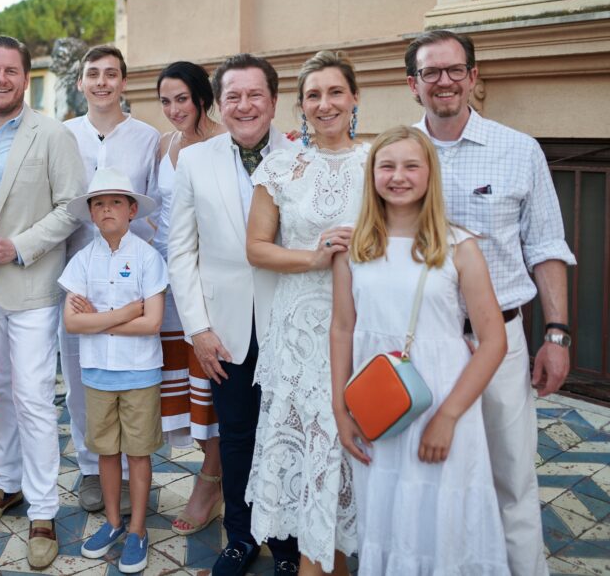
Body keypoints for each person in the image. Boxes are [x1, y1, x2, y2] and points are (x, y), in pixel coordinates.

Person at [406, 29, 575, 576]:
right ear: (414, 85)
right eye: (431, 72)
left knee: (511, 477)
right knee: (427, 474)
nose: (444, 81)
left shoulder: (518, 149)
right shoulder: (393, 154)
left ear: (474, 78)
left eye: (455, 70)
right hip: (422, 347)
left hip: (498, 342)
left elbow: (546, 245)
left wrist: (556, 334)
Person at [330, 125, 510, 574]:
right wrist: (340, 409)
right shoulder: (355, 247)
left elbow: (493, 341)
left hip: (442, 400)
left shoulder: (458, 247)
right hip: (378, 402)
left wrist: (448, 417)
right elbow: (342, 327)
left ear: (431, 173)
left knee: (441, 512)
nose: (398, 176)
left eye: (412, 165)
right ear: (372, 175)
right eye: (386, 166)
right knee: (388, 513)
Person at [0, 35, 86, 569]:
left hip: (30, 286)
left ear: (24, 79)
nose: (0, 78)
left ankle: (45, 509)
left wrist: (20, 246)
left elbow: (73, 207)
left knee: (31, 394)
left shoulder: (50, 134)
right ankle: (6, 484)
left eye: (10, 70)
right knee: (0, 390)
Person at [167, 54, 301, 576]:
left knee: (287, 435)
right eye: (233, 97)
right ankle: (241, 536)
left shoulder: (301, 157)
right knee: (238, 436)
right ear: (218, 105)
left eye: (255, 95)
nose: (244, 106)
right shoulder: (195, 162)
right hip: (224, 332)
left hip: (290, 325)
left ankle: (288, 544)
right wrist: (198, 329)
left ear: (272, 100)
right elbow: (181, 252)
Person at [244, 51, 366, 574]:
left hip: (362, 327)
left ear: (355, 98)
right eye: (313, 95)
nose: (325, 104)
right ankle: (311, 562)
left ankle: (343, 557)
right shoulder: (281, 166)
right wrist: (315, 258)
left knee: (353, 442)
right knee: (308, 446)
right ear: (300, 106)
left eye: (335, 92)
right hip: (298, 333)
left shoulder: (378, 161)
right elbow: (257, 248)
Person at [62, 45, 161, 512]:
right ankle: (90, 466)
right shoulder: (63, 135)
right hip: (78, 272)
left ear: (124, 82)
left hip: (135, 272)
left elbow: (162, 202)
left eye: (111, 74)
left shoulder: (147, 137)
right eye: (92, 74)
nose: (101, 82)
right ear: (81, 83)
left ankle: (131, 473)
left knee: (134, 377)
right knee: (82, 375)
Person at [59, 167, 166, 573]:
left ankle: (138, 528)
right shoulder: (83, 261)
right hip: (97, 373)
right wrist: (124, 313)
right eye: (99, 203)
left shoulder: (147, 257)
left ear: (132, 209)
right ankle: (114, 522)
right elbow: (73, 323)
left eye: (116, 202)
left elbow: (152, 322)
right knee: (105, 451)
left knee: (138, 453)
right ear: (90, 212)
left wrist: (99, 319)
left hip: (140, 373)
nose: (107, 209)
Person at [153, 61, 226, 536]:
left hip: (211, 287)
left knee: (213, 386)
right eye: (165, 101)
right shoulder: (165, 144)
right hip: (168, 284)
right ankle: (212, 472)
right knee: (184, 386)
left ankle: (211, 482)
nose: (174, 109)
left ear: (201, 96)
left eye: (182, 98)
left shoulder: (223, 141)